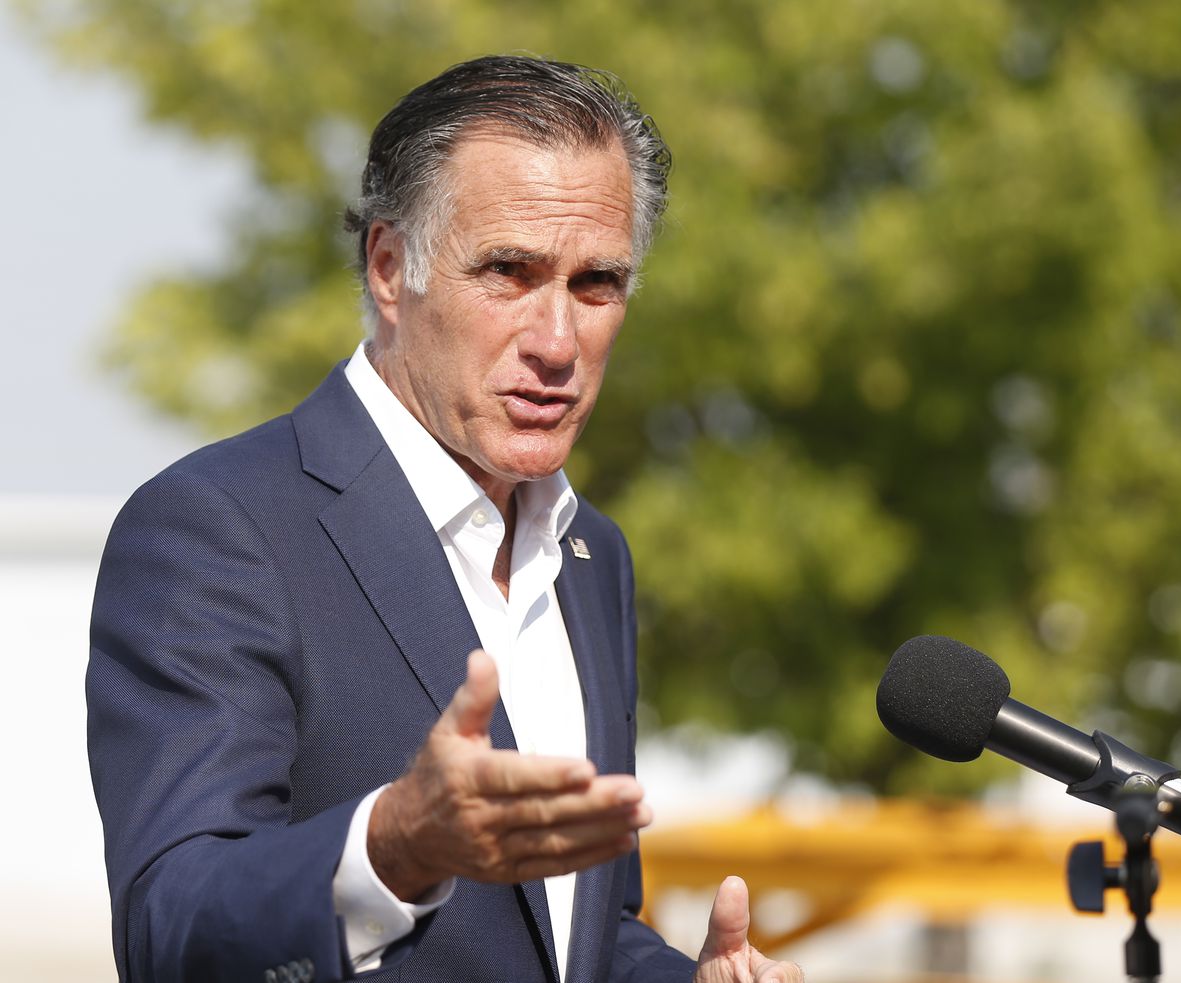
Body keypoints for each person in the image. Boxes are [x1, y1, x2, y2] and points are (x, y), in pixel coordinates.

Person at [88, 54, 804, 983]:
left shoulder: (591, 554)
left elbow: (570, 938)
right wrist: (391, 847)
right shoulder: (215, 530)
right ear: (390, 268)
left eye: (597, 284)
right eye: (509, 271)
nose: (557, 342)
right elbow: (169, 929)